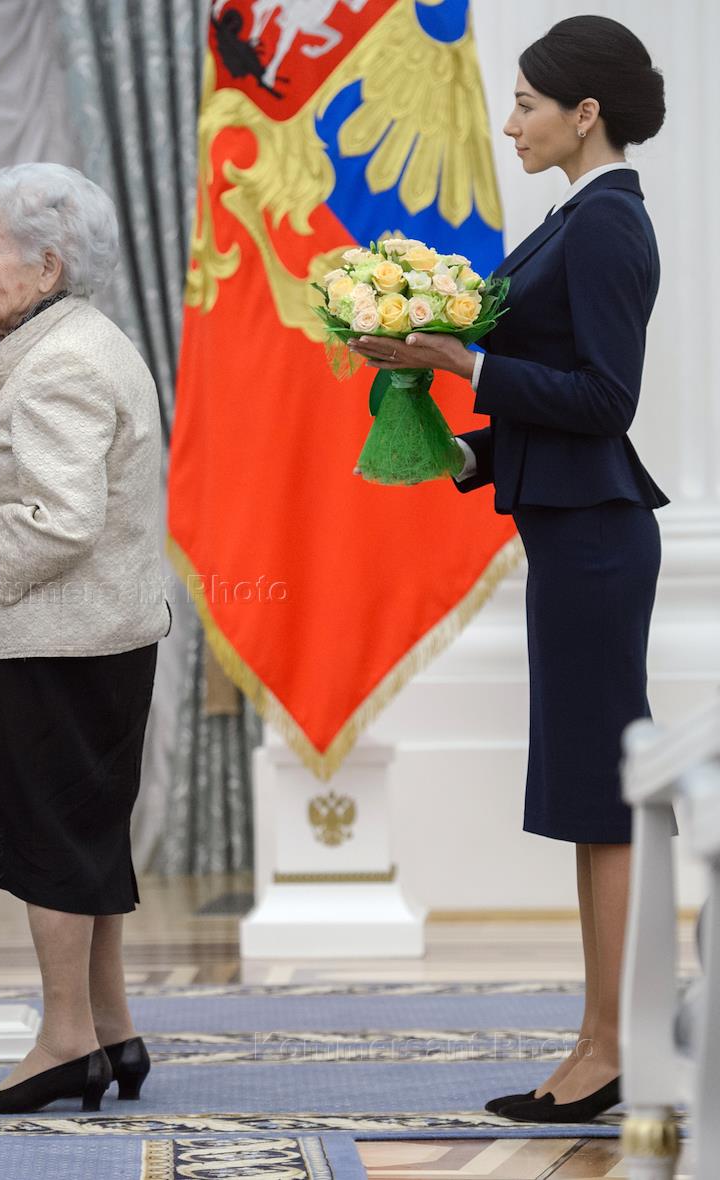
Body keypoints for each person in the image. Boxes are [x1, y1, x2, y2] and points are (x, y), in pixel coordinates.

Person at [349, 15, 666, 1125]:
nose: (511, 122)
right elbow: (560, 396)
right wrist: (462, 448)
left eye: (528, 103)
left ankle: (612, 1046)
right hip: (571, 532)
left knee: (604, 798)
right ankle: (601, 1038)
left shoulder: (608, 222)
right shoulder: (575, 216)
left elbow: (607, 401)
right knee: (589, 795)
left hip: (596, 543)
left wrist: (462, 360)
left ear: (587, 113)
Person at [0, 162, 171, 1114]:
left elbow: (62, 519)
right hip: (92, 637)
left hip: (58, 642)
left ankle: (65, 1041)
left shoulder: (61, 361)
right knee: (85, 837)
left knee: (53, 842)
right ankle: (110, 1028)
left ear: (49, 267)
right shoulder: (79, 340)